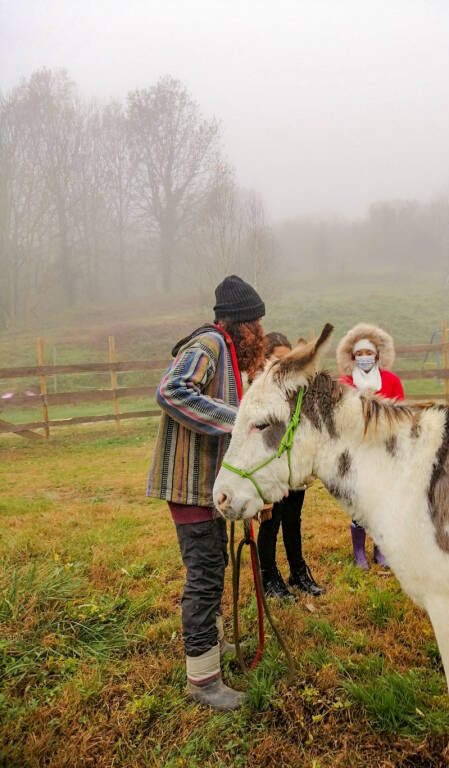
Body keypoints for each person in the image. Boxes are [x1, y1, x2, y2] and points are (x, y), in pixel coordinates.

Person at [147, 275, 266, 711]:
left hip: (210, 488)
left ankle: (211, 650)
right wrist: (240, 419)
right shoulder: (209, 345)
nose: (260, 333)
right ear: (241, 323)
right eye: (256, 324)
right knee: (203, 580)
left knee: (214, 566)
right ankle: (202, 681)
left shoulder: (226, 353)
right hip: (190, 485)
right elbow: (171, 390)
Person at [256, 332, 325, 600]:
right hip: (272, 467)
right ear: (265, 359)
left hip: (294, 466)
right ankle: (269, 578)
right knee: (271, 522)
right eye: (277, 359)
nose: (284, 365)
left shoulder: (294, 386)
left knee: (293, 519)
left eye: (288, 360)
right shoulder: (258, 389)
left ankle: (298, 572)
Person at [336, 322, 404, 571]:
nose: (365, 358)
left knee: (382, 500)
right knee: (360, 500)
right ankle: (359, 553)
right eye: (360, 354)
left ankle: (380, 549)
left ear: (378, 355)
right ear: (352, 357)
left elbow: (400, 413)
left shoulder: (391, 381)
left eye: (369, 353)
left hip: (384, 448)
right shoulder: (345, 382)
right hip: (357, 450)